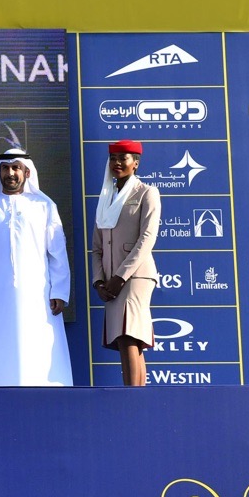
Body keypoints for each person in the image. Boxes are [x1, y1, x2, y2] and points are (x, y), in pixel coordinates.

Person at [0, 149, 73, 386]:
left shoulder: (45, 206)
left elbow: (57, 253)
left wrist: (60, 291)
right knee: (1, 359)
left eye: (16, 168)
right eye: (5, 168)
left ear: (27, 172)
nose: (10, 173)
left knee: (40, 353)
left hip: (39, 296)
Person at [91, 139, 160, 387]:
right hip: (111, 280)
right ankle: (137, 396)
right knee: (126, 339)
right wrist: (99, 281)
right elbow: (97, 247)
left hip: (136, 276)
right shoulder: (106, 198)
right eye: (113, 158)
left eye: (123, 158)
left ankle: (133, 398)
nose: (117, 163)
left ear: (136, 163)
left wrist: (121, 276)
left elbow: (147, 238)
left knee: (129, 334)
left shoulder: (146, 193)